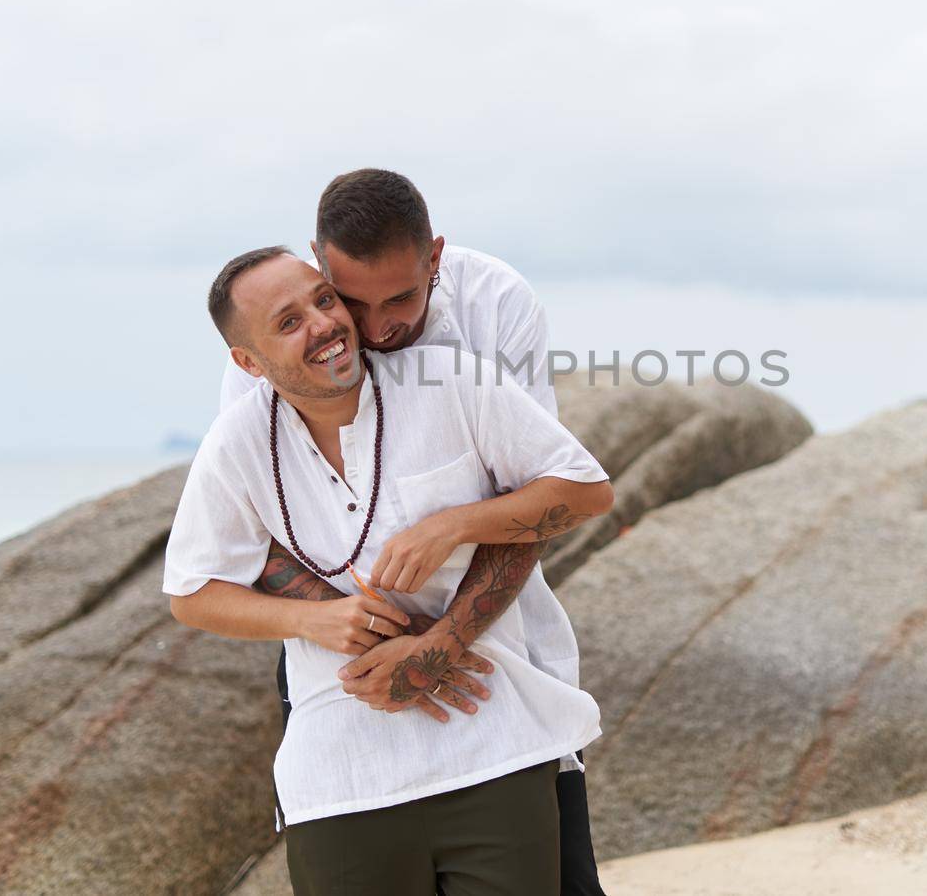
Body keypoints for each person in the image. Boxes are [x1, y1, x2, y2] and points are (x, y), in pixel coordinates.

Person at [166, 247, 613, 894]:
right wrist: (317, 619)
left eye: (324, 300)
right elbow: (192, 590)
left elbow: (582, 490)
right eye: (288, 322)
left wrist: (453, 526)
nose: (323, 325)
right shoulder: (238, 442)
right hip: (339, 776)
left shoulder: (448, 380)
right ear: (248, 363)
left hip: (491, 744)